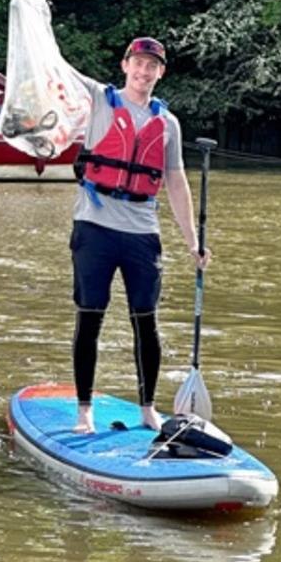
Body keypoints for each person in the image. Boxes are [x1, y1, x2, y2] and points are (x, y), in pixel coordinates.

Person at [69, 36, 211, 434]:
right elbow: (59, 71)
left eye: (152, 66)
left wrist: (192, 243)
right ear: (125, 65)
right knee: (90, 317)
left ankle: (148, 409)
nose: (144, 72)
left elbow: (176, 181)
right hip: (94, 227)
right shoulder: (99, 99)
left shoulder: (167, 123)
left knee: (146, 321)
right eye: (138, 63)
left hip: (141, 232)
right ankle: (84, 412)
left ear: (160, 73)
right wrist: (33, 17)